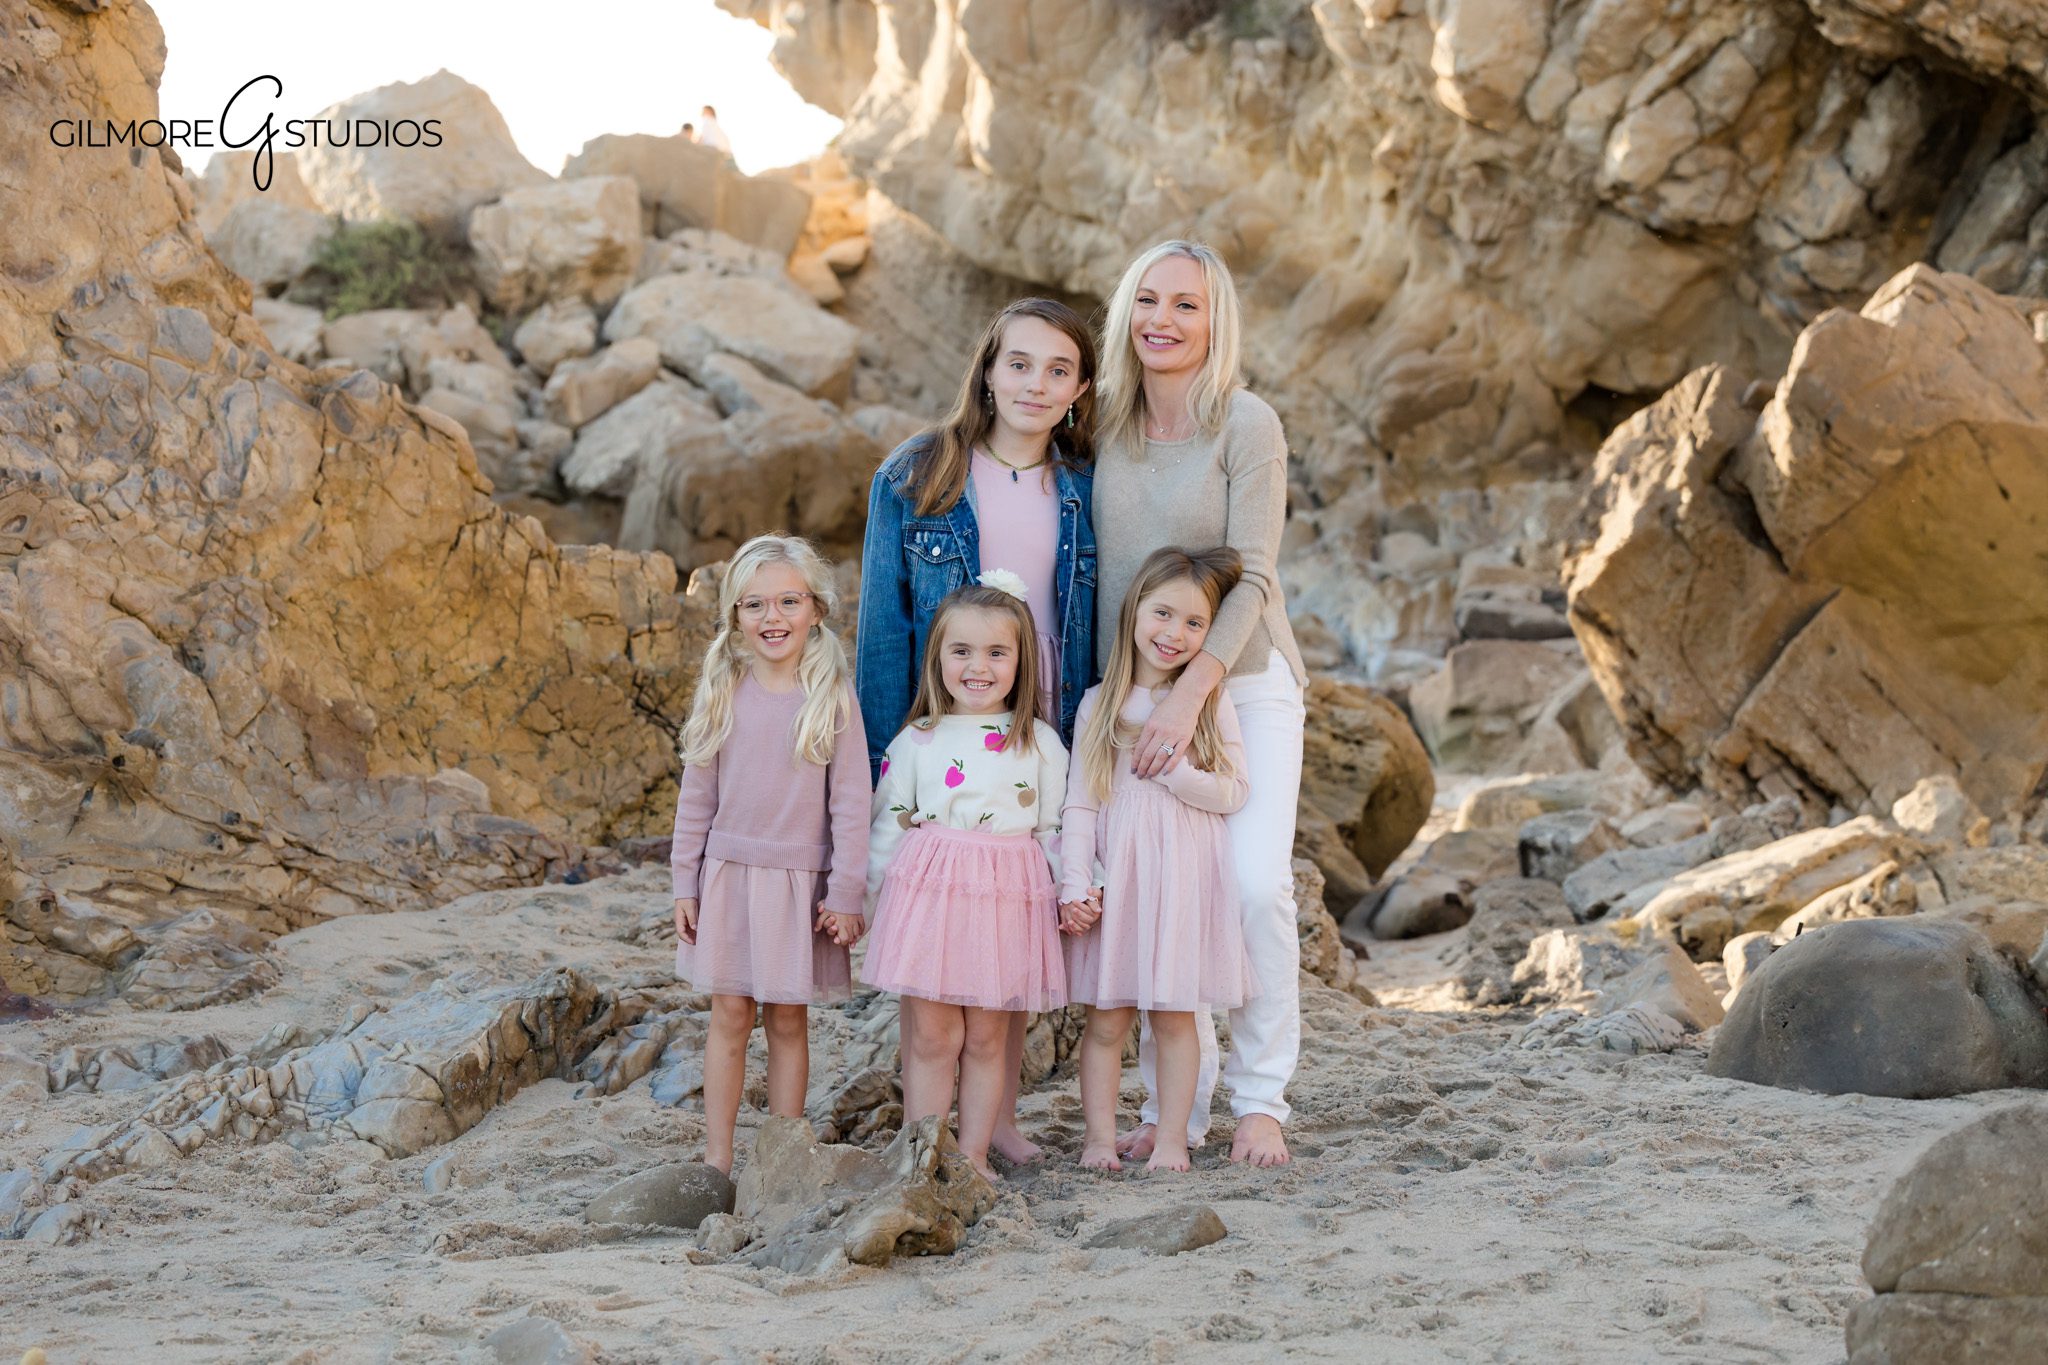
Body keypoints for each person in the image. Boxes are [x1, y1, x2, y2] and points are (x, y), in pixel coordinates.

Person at [856, 296, 1098, 1163]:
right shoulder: (918, 473)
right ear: (988, 371)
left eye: (1059, 369)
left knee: (1012, 925)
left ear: (1080, 389)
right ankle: (929, 1132)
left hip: (1047, 718)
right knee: (939, 945)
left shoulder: (1087, 484)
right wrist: (883, 757)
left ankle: (996, 1122)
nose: (1035, 383)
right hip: (947, 721)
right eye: (1019, 363)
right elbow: (883, 629)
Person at [1092, 239, 1308, 1169]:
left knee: (1254, 885)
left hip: (1244, 682)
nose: (1163, 321)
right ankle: (1176, 1106)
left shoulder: (1246, 423)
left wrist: (1191, 696)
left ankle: (1262, 1100)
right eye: (1148, 300)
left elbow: (1253, 576)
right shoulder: (1101, 423)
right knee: (1161, 886)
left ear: (1216, 321)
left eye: (1187, 304)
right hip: (1137, 693)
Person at [670, 534, 870, 1174]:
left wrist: (846, 892)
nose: (772, 617)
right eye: (754, 604)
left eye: (788, 601)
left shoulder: (832, 695)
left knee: (787, 1020)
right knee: (729, 1014)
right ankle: (718, 1158)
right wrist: (684, 883)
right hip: (730, 877)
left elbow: (851, 804)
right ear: (735, 614)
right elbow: (696, 798)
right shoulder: (722, 689)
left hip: (797, 886)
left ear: (816, 608)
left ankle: (784, 1153)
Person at [862, 579, 1068, 1182]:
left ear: (1021, 661)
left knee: (985, 1040)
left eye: (996, 653)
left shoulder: (1041, 743)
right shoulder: (917, 738)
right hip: (930, 902)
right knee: (932, 1037)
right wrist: (861, 902)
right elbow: (888, 825)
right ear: (938, 657)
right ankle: (921, 1155)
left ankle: (974, 1155)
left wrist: (1079, 889)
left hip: (1005, 905)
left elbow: (1057, 829)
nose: (978, 667)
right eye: (962, 651)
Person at [1060, 546, 1255, 1174]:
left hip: (1181, 882)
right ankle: (1097, 1139)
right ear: (1134, 611)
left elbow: (1234, 791)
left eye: (1195, 623)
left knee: (1175, 1019)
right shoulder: (1099, 702)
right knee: (1106, 1023)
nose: (1174, 633)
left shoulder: (1208, 702)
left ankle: (1172, 1138)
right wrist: (1075, 883)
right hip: (1119, 881)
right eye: (1163, 614)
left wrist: (1179, 774)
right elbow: (1080, 803)